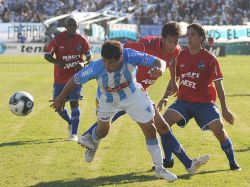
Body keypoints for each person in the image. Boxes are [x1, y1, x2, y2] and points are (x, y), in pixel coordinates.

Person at [81, 22, 209, 173]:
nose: (172, 45)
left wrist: (173, 80)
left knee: (160, 126)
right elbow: (119, 51)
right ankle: (88, 136)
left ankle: (188, 164)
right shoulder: (145, 44)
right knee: (154, 126)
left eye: (175, 42)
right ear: (162, 38)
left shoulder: (175, 50)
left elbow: (173, 59)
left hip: (138, 93)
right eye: (170, 42)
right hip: (129, 91)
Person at [50, 40, 178, 182]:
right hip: (107, 99)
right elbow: (75, 79)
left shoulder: (130, 56)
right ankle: (93, 144)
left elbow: (159, 61)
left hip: (132, 95)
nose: (107, 65)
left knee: (150, 129)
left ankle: (160, 169)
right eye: (105, 61)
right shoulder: (97, 67)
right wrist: (60, 98)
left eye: (110, 62)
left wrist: (159, 69)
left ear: (120, 58)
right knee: (103, 131)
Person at [157, 23, 241, 171]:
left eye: (192, 34)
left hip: (204, 104)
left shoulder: (210, 59)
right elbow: (173, 78)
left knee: (220, 130)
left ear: (201, 38)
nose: (188, 38)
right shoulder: (181, 55)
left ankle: (233, 164)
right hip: (183, 102)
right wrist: (165, 96)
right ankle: (168, 160)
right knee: (163, 123)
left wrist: (225, 109)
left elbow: (219, 85)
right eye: (187, 35)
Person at [44, 17, 92, 142]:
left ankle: (74, 134)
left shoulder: (82, 40)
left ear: (77, 27)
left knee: (74, 102)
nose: (72, 28)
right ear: (66, 27)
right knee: (58, 107)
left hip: (76, 78)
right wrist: (56, 61)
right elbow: (47, 54)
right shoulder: (58, 39)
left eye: (74, 26)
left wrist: (83, 64)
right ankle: (70, 122)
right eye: (70, 26)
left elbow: (89, 57)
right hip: (60, 79)